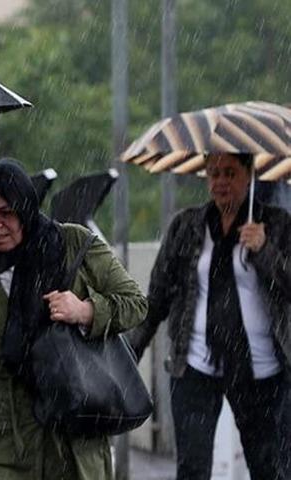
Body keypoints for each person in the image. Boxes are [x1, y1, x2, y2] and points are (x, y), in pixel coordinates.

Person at [0, 159, 147, 480]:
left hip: (66, 417)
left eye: (5, 212)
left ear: (24, 207)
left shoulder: (73, 244)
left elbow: (135, 304)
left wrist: (86, 311)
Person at [127, 153, 291, 480]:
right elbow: (158, 295)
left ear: (249, 174)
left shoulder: (277, 223)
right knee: (192, 467)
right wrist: (130, 350)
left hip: (259, 368)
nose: (220, 182)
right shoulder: (187, 225)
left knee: (270, 468)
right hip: (195, 362)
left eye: (230, 173)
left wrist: (264, 249)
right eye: (213, 173)